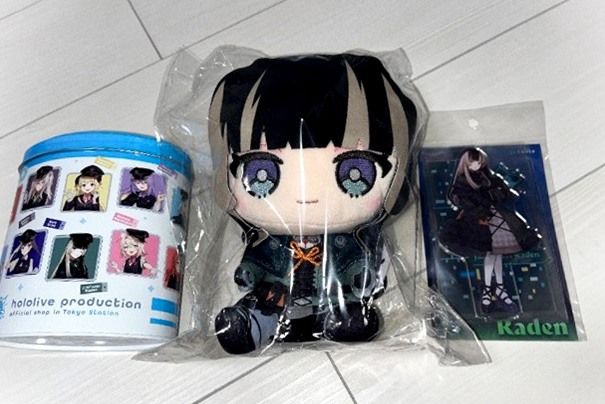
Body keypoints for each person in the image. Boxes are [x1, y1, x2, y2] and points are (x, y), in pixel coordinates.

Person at [208, 54, 419, 354]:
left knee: (347, 311)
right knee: (260, 306)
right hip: (277, 295)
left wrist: (360, 275)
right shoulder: (270, 240)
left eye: (354, 172)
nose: (306, 197)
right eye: (262, 173)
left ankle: (345, 323)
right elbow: (258, 259)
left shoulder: (345, 239)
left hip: (328, 297)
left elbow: (353, 260)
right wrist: (249, 272)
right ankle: (248, 327)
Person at [440, 148, 541, 315]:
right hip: (478, 220)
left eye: (479, 162)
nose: (477, 165)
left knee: (497, 254)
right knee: (491, 253)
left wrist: (500, 191)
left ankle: (497, 288)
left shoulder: (488, 177)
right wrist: (480, 211)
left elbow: (505, 192)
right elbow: (462, 200)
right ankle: (489, 289)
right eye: (473, 163)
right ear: (466, 163)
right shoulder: (462, 182)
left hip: (496, 216)